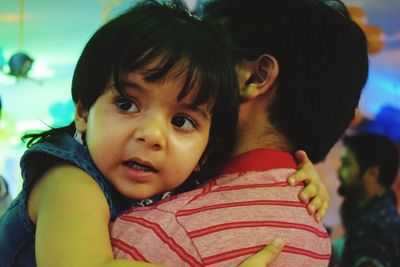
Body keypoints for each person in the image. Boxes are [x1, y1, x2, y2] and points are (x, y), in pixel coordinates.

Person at [0, 1, 324, 266]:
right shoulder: (69, 182)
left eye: (182, 122)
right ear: (83, 112)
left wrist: (299, 179)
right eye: (127, 103)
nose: (152, 134)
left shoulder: (170, 180)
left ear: (205, 152)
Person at [110, 0, 369, 266]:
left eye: (207, 50)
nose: (186, 61)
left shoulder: (157, 233)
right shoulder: (315, 232)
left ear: (253, 77)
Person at [337, 133, 400, 267]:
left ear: (372, 173)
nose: (339, 171)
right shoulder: (379, 213)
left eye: (346, 164)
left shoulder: (374, 226)